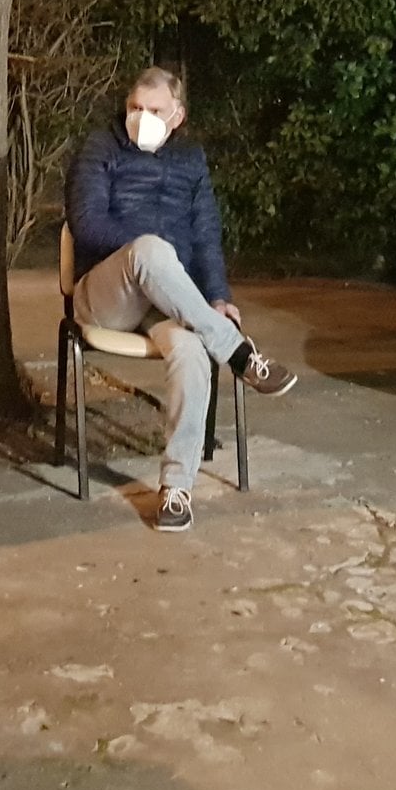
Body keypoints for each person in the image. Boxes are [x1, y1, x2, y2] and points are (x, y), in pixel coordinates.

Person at [64, 65, 296, 534]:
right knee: (152, 250)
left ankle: (176, 488)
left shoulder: (191, 159)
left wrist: (217, 295)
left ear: (178, 116)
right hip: (107, 293)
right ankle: (238, 352)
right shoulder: (102, 147)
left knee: (191, 350)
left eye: (154, 110)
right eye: (135, 107)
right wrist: (150, 251)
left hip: (167, 298)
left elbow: (206, 234)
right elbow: (86, 224)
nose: (141, 117)